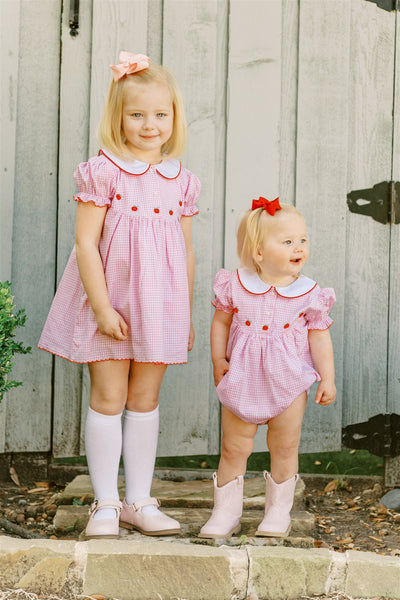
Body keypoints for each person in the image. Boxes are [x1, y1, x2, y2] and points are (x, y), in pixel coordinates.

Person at [39, 52, 200, 539]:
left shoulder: (182, 180)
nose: (150, 125)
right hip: (109, 302)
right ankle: (105, 502)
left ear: (173, 117)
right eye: (137, 114)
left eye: (160, 114)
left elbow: (186, 251)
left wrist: (186, 313)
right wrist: (103, 307)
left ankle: (139, 500)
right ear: (119, 117)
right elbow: (86, 243)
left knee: (144, 399)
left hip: (161, 305)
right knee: (109, 396)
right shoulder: (103, 171)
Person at [199, 196, 335, 539]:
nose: (299, 247)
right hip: (243, 377)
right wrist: (218, 359)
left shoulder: (309, 293)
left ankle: (277, 512)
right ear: (259, 252)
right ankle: (225, 512)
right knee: (235, 445)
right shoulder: (237, 284)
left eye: (302, 240)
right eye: (287, 241)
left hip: (289, 380)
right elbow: (220, 324)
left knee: (285, 444)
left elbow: (319, 338)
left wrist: (327, 378)